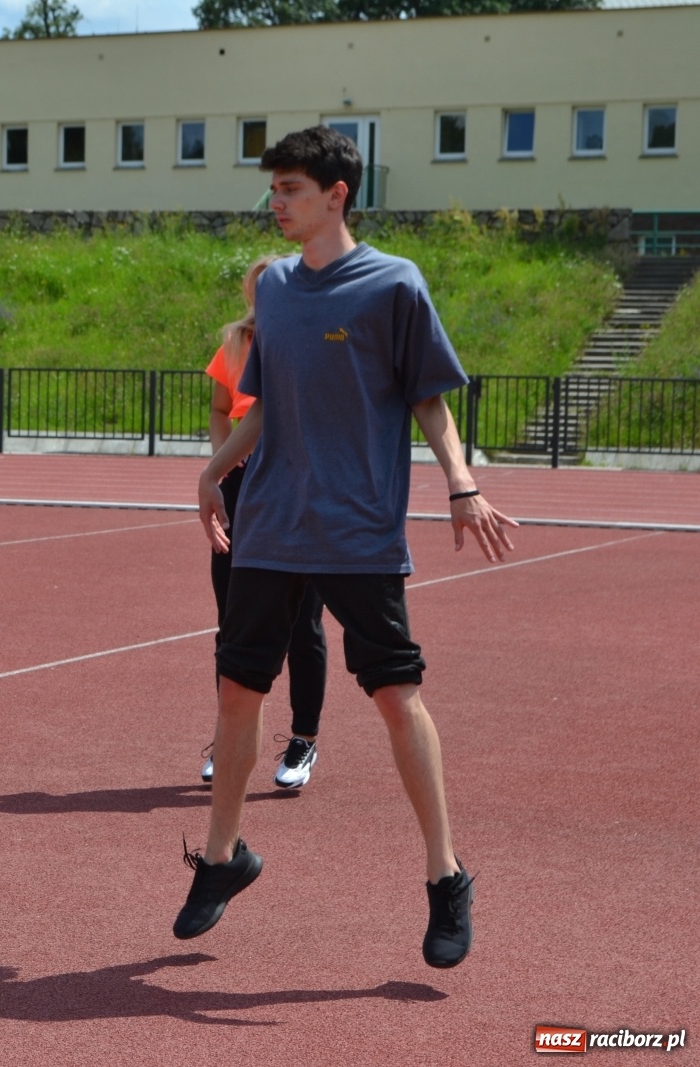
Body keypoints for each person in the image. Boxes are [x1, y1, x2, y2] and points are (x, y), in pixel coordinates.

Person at [172, 127, 518, 969]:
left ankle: (445, 875)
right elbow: (264, 407)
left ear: (337, 195)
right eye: (273, 189)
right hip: (271, 524)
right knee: (237, 689)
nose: (275, 203)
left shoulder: (394, 283)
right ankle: (222, 857)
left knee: (396, 694)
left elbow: (430, 398)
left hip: (359, 529)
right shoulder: (275, 290)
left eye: (290, 188)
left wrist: (461, 482)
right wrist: (212, 472)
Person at [201, 253, 328, 791]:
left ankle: (303, 739)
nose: (266, 293)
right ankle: (231, 734)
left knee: (302, 621)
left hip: (300, 488)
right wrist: (223, 463)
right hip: (241, 486)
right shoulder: (235, 344)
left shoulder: (313, 339)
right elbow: (220, 409)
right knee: (232, 618)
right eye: (259, 285)